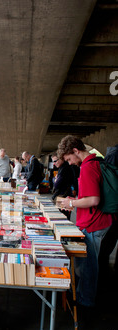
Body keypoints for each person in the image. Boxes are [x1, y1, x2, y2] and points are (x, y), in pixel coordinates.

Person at [57, 135, 112, 317]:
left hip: (92, 223)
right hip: (99, 220)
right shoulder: (97, 162)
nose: (70, 163)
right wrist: (76, 200)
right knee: (88, 262)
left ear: (75, 151)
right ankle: (84, 297)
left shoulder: (88, 167)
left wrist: (71, 204)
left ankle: (85, 302)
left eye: (69, 159)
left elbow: (94, 199)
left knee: (88, 266)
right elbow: (91, 195)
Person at [99, 144, 118, 273]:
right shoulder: (114, 155)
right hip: (114, 205)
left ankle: (103, 267)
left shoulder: (113, 155)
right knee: (111, 236)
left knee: (110, 236)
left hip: (113, 206)